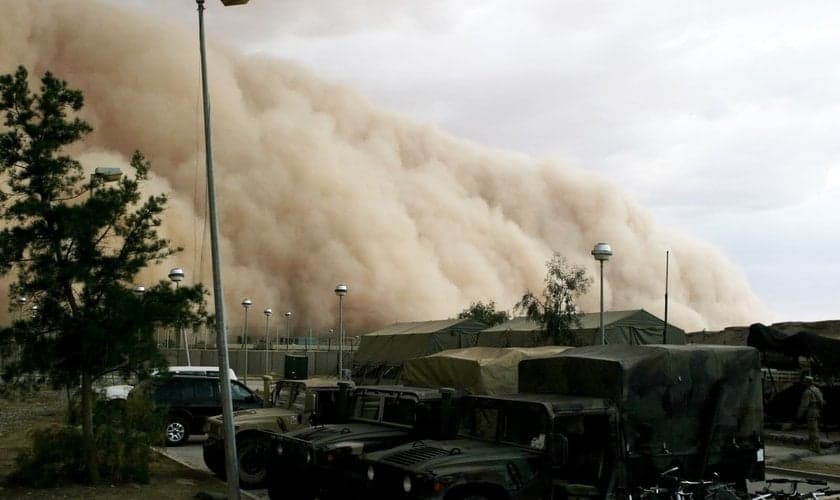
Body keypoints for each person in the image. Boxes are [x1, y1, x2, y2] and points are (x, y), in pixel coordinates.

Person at [798, 375, 825, 453]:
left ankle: (816, 447)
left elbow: (804, 405)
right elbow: (822, 401)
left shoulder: (807, 392)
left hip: (811, 411)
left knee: (812, 430)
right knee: (815, 429)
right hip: (817, 411)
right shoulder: (817, 390)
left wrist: (799, 414)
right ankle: (813, 446)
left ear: (807, 383)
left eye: (805, 382)